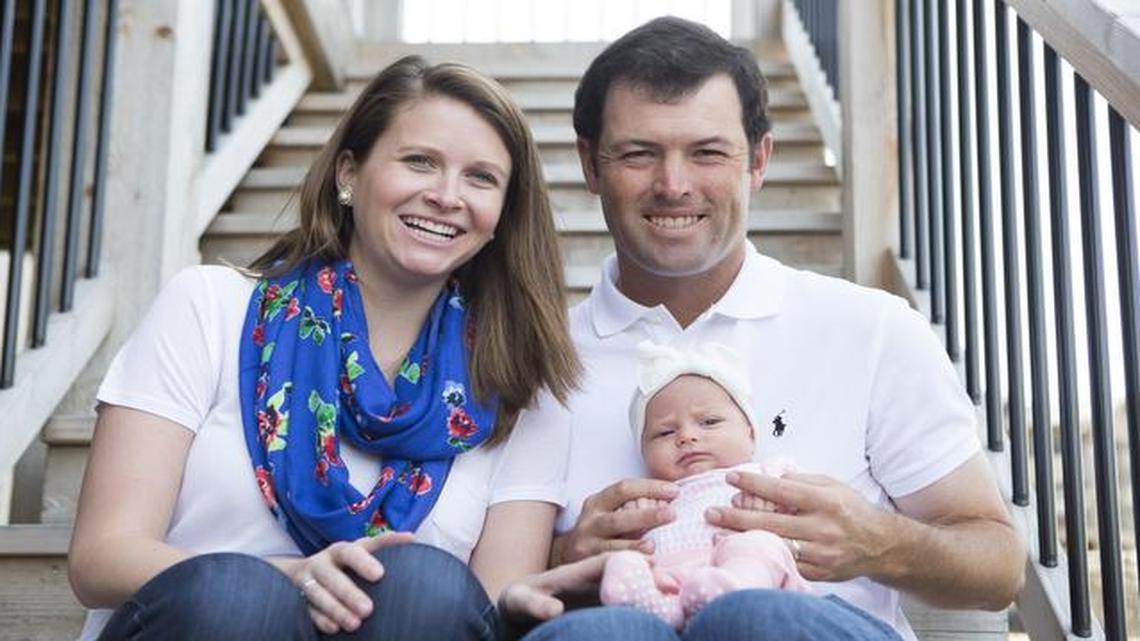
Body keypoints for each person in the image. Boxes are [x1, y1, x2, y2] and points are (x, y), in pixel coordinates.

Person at [503, 16, 1026, 641]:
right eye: (640, 153)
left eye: (707, 152)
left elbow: (998, 567)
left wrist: (877, 541)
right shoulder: (533, 360)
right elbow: (485, 585)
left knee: (751, 617)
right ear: (590, 165)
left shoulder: (871, 329)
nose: (673, 185)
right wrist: (565, 558)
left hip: (807, 626)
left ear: (758, 160)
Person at [67, 55, 580, 641]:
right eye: (420, 161)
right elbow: (102, 557)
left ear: (501, 217)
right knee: (235, 599)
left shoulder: (517, 381)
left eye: (481, 178)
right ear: (348, 175)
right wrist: (292, 578)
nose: (446, 195)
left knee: (424, 587)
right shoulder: (209, 307)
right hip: (204, 625)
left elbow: (488, 604)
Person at [599, 341, 808, 630]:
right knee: (623, 561)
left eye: (709, 422)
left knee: (759, 545)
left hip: (749, 576)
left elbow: (806, 512)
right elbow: (633, 539)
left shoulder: (767, 473)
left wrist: (774, 503)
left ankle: (732, 591)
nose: (686, 436)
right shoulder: (654, 494)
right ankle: (659, 606)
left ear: (750, 434)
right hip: (676, 577)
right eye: (665, 432)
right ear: (644, 454)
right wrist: (633, 519)